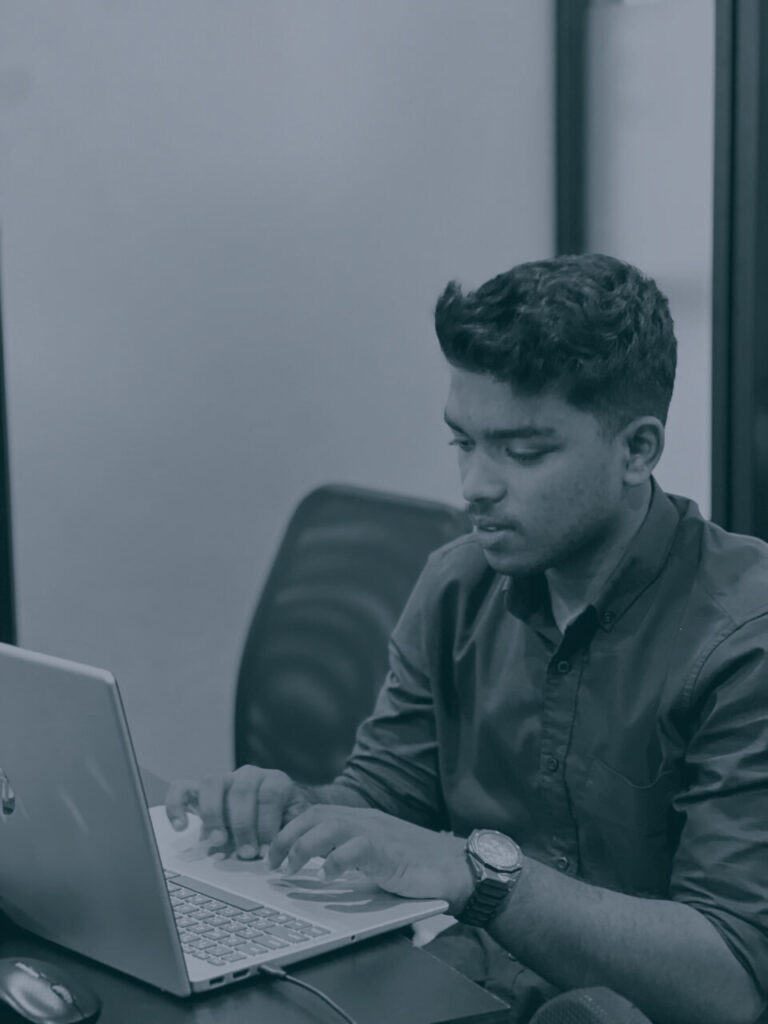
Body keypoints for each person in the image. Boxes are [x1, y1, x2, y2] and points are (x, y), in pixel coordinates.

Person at [166, 254, 768, 1024]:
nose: (475, 486)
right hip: (465, 992)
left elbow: (733, 979)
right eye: (464, 443)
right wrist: (294, 810)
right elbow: (384, 798)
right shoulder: (456, 583)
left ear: (638, 451)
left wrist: (476, 873)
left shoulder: (743, 635)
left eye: (523, 452)